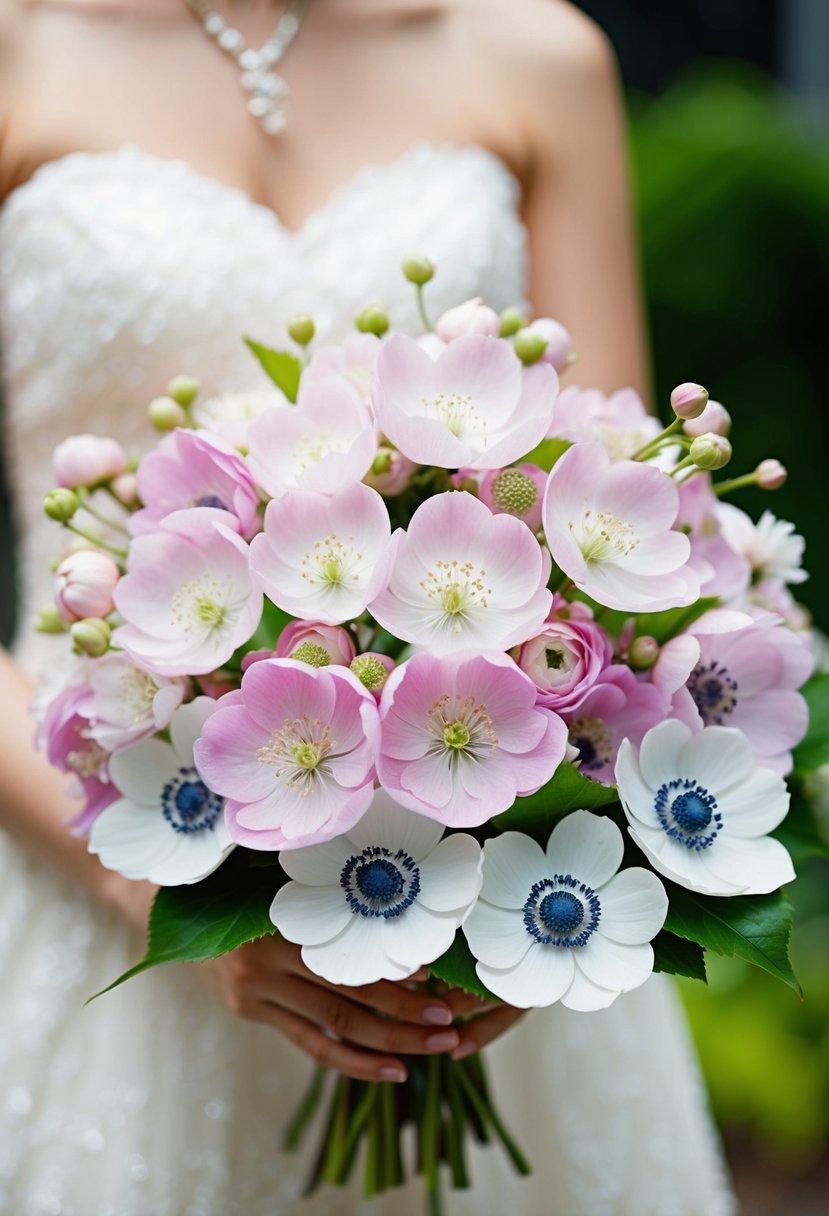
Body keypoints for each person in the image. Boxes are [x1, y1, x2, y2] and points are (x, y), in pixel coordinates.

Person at [0, 1, 736, 1211]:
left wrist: (523, 909)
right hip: (95, 844)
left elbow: (624, 514)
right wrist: (158, 897)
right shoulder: (21, 48)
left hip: (492, 884)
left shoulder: (536, 55)